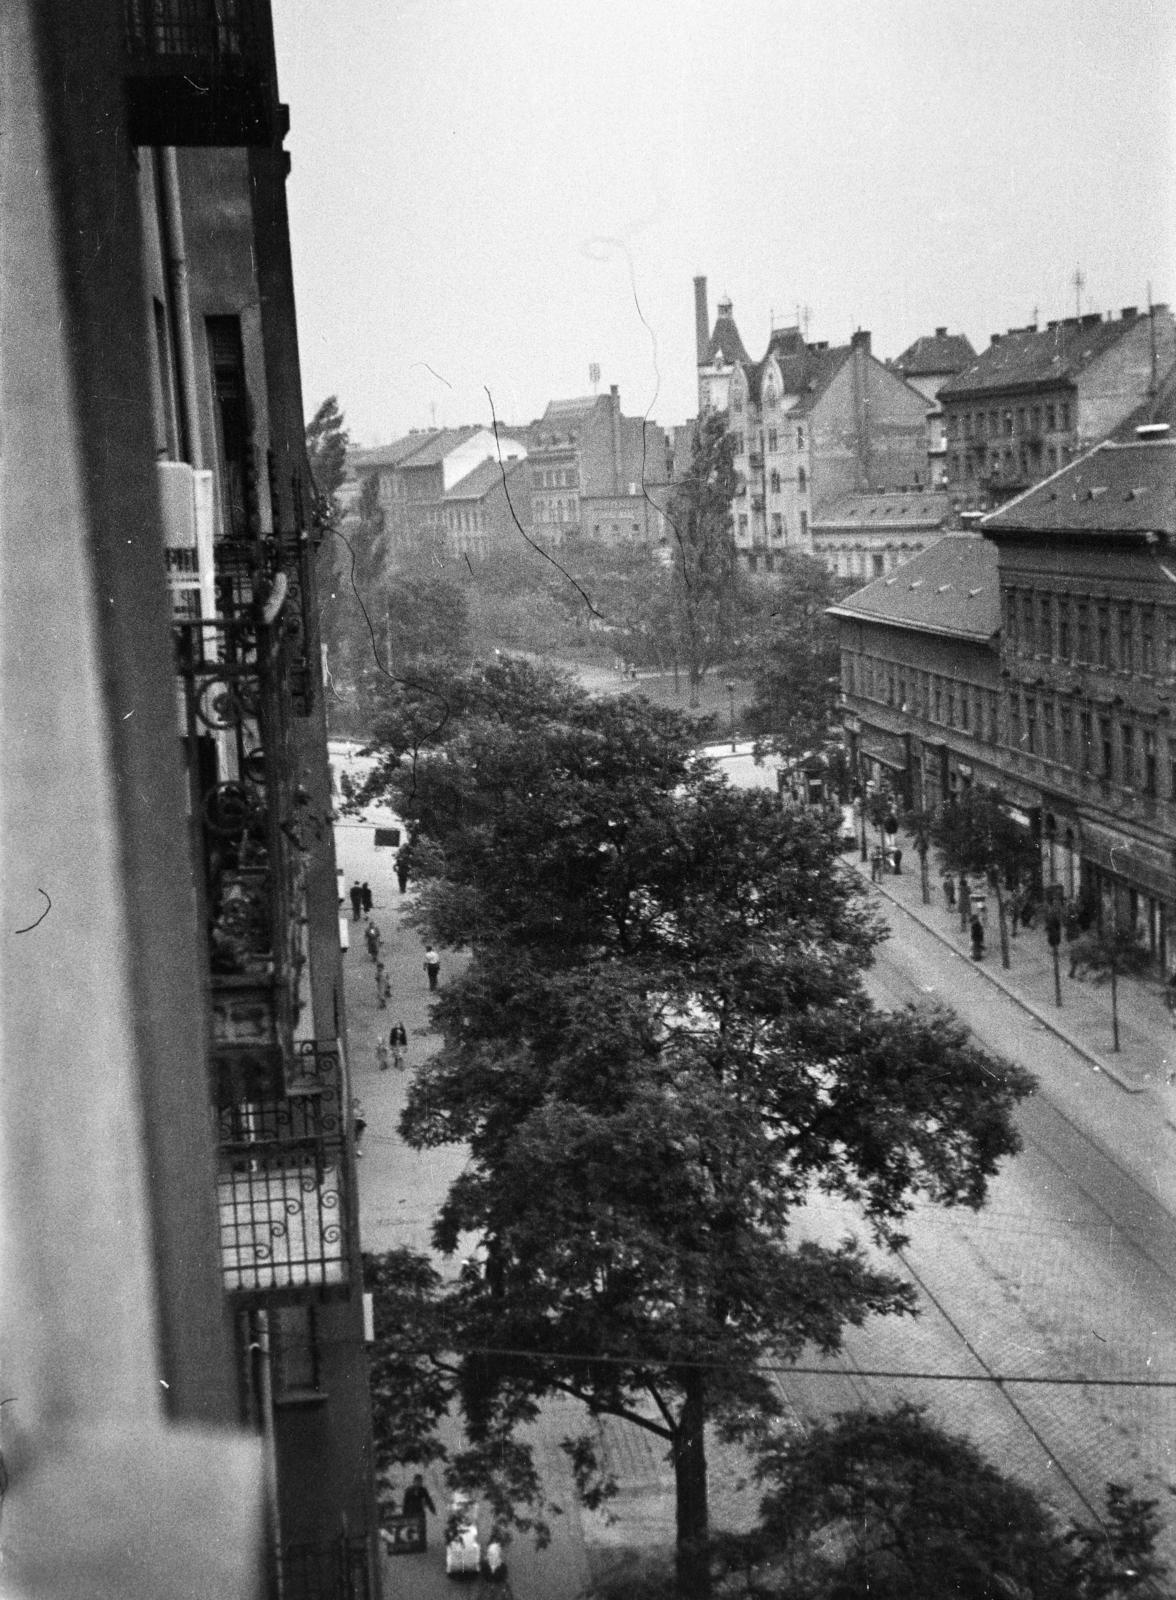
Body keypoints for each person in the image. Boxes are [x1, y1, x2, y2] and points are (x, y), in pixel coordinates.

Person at [403, 1474, 436, 1547]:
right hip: (410, 1511)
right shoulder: (409, 1490)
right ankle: (411, 1544)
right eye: (417, 1481)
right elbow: (405, 1503)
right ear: (414, 1482)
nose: (419, 1483)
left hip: (420, 1511)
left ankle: (422, 1544)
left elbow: (428, 1500)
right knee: (411, 1527)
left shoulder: (423, 1490)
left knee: (421, 1527)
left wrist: (432, 1509)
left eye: (420, 1481)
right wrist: (404, 1515)